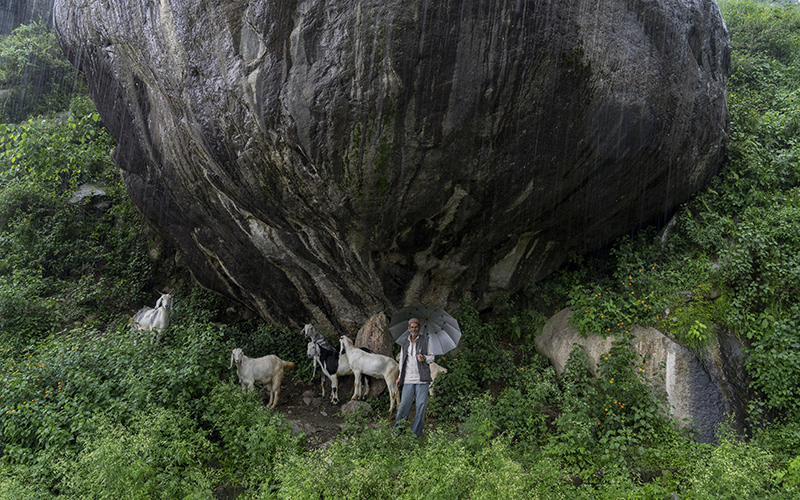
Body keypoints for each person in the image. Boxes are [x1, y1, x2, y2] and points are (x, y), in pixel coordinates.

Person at [394, 317, 435, 437]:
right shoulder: (404, 342)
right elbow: (402, 361)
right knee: (404, 405)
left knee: (421, 406)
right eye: (411, 327)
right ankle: (397, 431)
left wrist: (424, 358)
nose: (414, 329)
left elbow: (432, 358)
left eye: (416, 327)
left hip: (422, 379)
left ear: (420, 328)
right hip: (407, 379)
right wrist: (399, 377)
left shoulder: (426, 340)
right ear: (408, 329)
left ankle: (415, 434)